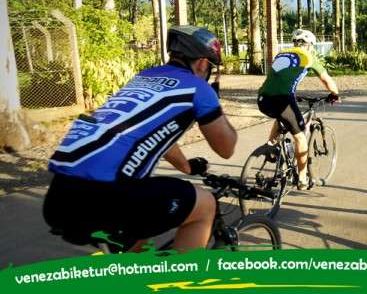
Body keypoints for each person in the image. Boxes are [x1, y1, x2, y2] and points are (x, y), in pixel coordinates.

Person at [43, 25, 237, 252]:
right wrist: (214, 104)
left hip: (59, 197)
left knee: (143, 237)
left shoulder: (144, 77)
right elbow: (226, 149)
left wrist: (186, 167)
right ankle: (185, 274)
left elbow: (142, 130)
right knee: (205, 205)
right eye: (211, 67)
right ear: (203, 64)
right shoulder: (199, 89)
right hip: (107, 196)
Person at [257, 29, 339, 190]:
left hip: (262, 99)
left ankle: (270, 147)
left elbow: (281, 78)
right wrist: (335, 94)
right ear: (310, 45)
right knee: (300, 137)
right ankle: (302, 179)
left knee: (281, 117)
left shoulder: (281, 54)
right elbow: (326, 79)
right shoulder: (309, 57)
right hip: (283, 100)